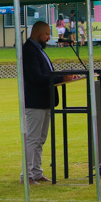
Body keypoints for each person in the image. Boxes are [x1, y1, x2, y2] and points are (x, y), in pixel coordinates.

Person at [21, 21, 78, 185]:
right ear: (37, 33)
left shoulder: (39, 50)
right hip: (35, 101)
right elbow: (36, 77)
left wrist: (64, 77)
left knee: (40, 139)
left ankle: (37, 172)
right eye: (46, 34)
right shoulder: (29, 51)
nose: (48, 38)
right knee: (32, 139)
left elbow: (47, 74)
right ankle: (26, 175)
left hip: (45, 100)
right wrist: (61, 78)